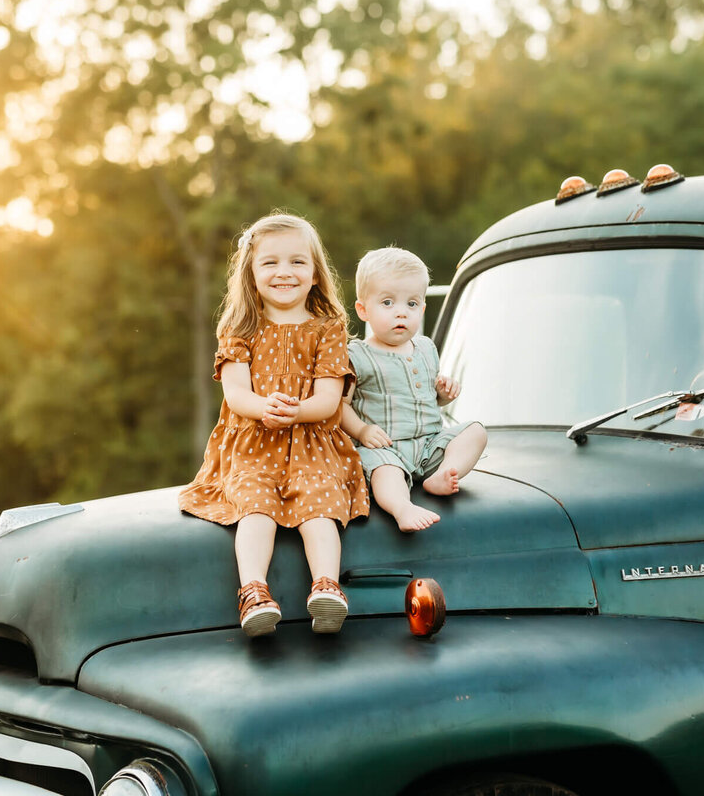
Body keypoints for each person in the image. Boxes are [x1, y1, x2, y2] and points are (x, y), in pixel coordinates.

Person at [179, 212, 369, 637]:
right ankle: (254, 592)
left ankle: (327, 588)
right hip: (253, 443)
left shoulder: (328, 329)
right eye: (271, 263)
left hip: (312, 443)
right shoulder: (240, 327)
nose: (285, 272)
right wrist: (266, 407)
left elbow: (327, 400)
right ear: (250, 273)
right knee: (255, 506)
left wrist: (296, 412)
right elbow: (236, 395)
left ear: (317, 274)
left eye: (298, 262)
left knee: (320, 504)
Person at [341, 247, 487, 532]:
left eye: (411, 304)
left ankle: (443, 474)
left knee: (476, 431)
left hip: (430, 445)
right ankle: (402, 507)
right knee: (384, 471)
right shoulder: (356, 355)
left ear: (422, 308)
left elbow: (428, 401)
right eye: (387, 302)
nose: (401, 313)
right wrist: (361, 431)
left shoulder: (426, 348)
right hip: (386, 447)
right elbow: (339, 405)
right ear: (363, 310)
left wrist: (443, 395)